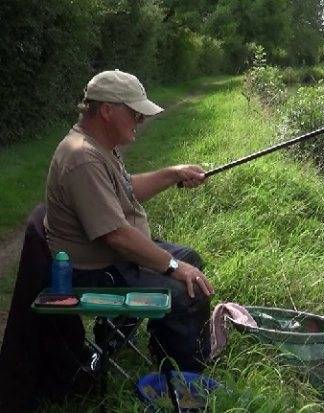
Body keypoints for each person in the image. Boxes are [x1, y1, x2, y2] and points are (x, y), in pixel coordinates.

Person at [44, 69, 215, 372]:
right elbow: (117, 237)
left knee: (192, 259)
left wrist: (174, 173)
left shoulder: (99, 147)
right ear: (107, 110)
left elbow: (127, 189)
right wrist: (172, 266)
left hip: (114, 259)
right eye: (135, 113)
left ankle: (163, 353)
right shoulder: (82, 157)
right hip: (97, 270)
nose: (142, 120)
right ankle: (185, 378)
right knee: (189, 290)